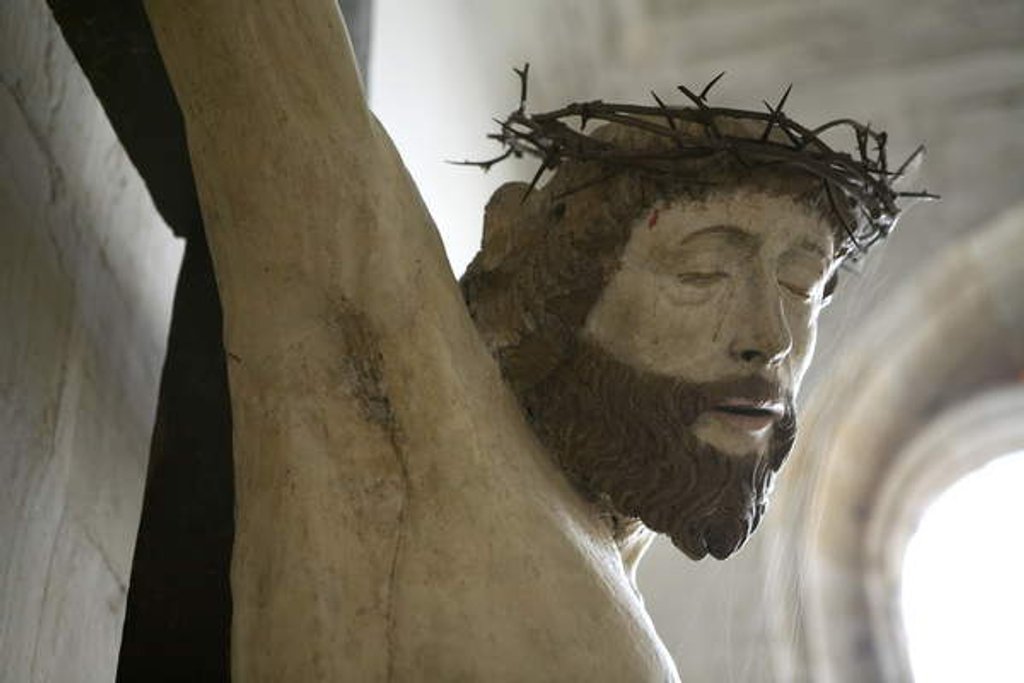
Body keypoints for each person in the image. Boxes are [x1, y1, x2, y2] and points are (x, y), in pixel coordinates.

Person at [144, 1, 927, 679]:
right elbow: (280, 88)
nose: (770, 336)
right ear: (564, 293)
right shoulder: (424, 429)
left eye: (801, 285)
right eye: (702, 270)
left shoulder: (600, 559)